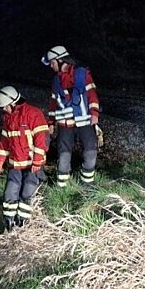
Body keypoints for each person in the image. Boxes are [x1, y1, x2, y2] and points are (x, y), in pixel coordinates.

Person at [42, 45, 101, 187]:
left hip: (84, 121)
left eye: (52, 63)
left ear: (61, 60)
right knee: (64, 154)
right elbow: (53, 102)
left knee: (91, 150)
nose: (51, 66)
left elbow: (92, 94)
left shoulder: (82, 74)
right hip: (64, 124)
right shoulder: (56, 80)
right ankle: (62, 185)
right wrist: (51, 122)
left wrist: (94, 113)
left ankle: (87, 184)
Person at [0, 85, 50, 229]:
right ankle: (9, 222)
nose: (3, 109)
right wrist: (0, 160)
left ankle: (22, 223)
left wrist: (37, 161)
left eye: (5, 106)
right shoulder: (8, 118)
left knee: (27, 192)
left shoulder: (33, 114)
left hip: (32, 164)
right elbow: (4, 141)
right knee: (10, 192)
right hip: (15, 163)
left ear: (13, 103)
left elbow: (42, 139)